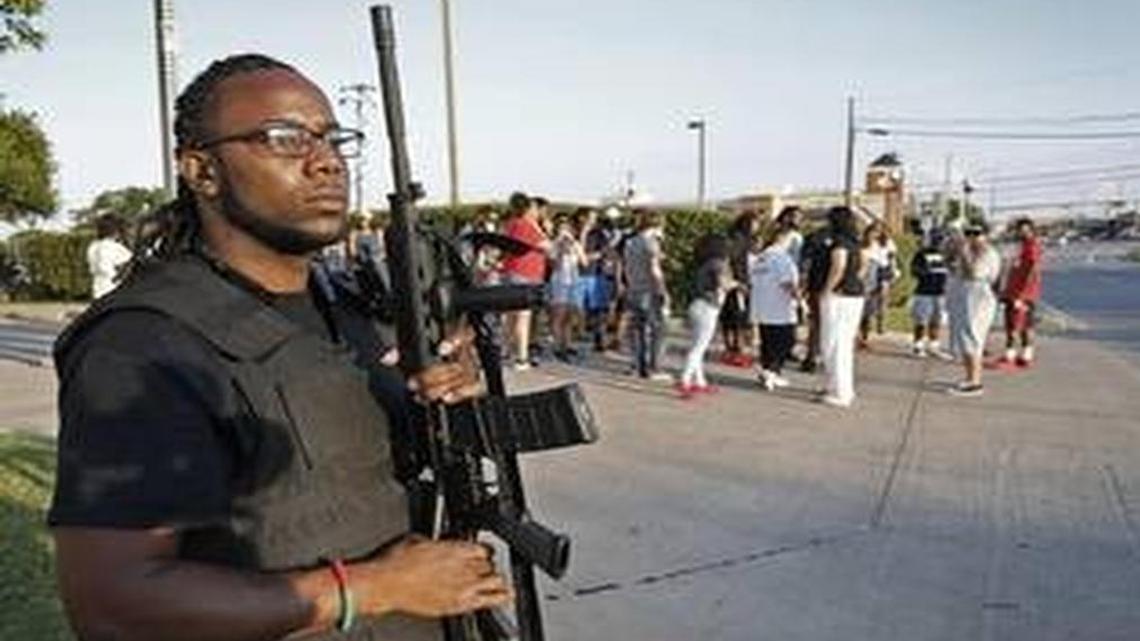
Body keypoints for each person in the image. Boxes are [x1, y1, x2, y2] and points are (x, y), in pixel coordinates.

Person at [48, 54, 510, 641]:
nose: (326, 162)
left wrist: (449, 388)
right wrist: (372, 587)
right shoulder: (142, 346)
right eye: (285, 139)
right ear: (202, 171)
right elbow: (112, 603)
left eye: (333, 137)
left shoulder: (351, 307)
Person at [816, 206, 865, 407]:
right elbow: (862, 267)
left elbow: (838, 267)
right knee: (840, 343)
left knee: (835, 344)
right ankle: (836, 386)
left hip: (839, 297)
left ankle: (841, 392)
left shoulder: (840, 243)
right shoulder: (855, 242)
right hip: (854, 295)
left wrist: (827, 290)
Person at [946, 221, 1002, 396]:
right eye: (968, 233)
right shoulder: (969, 251)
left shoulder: (988, 254)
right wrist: (952, 251)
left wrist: (964, 252)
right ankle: (969, 377)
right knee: (964, 337)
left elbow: (974, 273)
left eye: (976, 233)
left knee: (973, 337)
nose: (972, 237)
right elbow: (953, 269)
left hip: (978, 299)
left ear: (985, 235)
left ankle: (975, 382)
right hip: (965, 297)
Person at [678, 233, 733, 398]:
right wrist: (735, 284)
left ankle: (699, 380)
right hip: (708, 307)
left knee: (698, 346)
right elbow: (722, 283)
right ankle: (685, 380)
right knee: (699, 347)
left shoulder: (704, 263)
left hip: (697, 304)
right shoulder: (718, 264)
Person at [500, 192, 550, 370]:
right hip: (526, 274)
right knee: (523, 317)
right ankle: (521, 358)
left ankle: (505, 351)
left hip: (511, 272)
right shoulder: (527, 225)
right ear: (528, 208)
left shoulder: (510, 224)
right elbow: (547, 246)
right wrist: (538, 225)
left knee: (510, 316)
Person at [749, 226, 800, 391]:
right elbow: (787, 283)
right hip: (780, 309)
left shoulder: (761, 257)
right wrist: (799, 299)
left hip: (762, 308)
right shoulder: (782, 257)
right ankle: (772, 372)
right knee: (785, 342)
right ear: (784, 239)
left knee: (768, 343)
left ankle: (768, 372)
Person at [623, 208, 671, 381]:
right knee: (659, 329)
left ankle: (636, 366)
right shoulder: (651, 242)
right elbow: (654, 269)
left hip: (634, 289)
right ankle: (655, 368)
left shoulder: (631, 242)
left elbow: (627, 267)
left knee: (637, 330)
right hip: (649, 290)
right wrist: (663, 291)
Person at [995, 217, 1043, 368]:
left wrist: (1022, 294)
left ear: (1031, 230)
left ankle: (1024, 355)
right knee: (1013, 323)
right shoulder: (1021, 246)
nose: (1022, 233)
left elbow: (1031, 270)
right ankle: (1012, 354)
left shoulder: (1032, 246)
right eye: (1020, 230)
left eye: (1025, 230)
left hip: (1023, 293)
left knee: (1021, 325)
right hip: (1013, 291)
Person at [719, 211, 759, 366]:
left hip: (737, 281)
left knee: (732, 316)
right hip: (737, 282)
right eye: (755, 223)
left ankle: (732, 349)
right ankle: (736, 349)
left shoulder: (740, 238)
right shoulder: (739, 239)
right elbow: (731, 261)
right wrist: (738, 282)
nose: (757, 227)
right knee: (737, 317)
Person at [548, 212, 586, 361]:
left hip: (574, 280)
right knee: (559, 314)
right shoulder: (553, 244)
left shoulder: (575, 243)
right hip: (559, 281)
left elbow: (584, 263)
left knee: (570, 315)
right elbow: (553, 265)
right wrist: (560, 251)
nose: (565, 230)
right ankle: (558, 346)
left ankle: (568, 344)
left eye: (567, 227)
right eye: (562, 227)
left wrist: (576, 249)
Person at [910, 231, 951, 359]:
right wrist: (924, 272)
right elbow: (914, 270)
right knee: (921, 320)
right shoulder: (922, 253)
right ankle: (918, 346)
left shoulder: (946, 256)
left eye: (941, 240)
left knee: (936, 321)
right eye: (936, 240)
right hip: (924, 292)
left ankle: (934, 346)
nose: (939, 243)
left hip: (940, 293)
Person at [857, 223, 898, 349]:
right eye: (873, 231)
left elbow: (891, 260)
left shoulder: (885, 244)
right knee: (861, 307)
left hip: (878, 273)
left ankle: (867, 334)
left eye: (878, 232)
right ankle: (860, 336)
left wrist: (891, 274)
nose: (875, 234)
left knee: (872, 307)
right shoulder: (861, 244)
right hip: (864, 274)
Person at [86, 213, 133, 299]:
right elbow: (129, 267)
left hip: (97, 288)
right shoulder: (115, 247)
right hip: (113, 289)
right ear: (116, 230)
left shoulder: (93, 246)